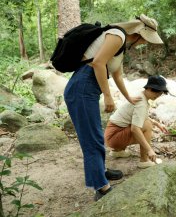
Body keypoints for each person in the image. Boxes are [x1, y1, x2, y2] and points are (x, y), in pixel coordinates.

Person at [64, 14, 164, 201]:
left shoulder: (122, 45)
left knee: (95, 133)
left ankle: (100, 171)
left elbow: (117, 75)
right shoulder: (117, 35)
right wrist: (108, 96)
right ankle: (101, 186)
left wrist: (128, 97)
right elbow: (97, 63)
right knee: (91, 138)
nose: (144, 44)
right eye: (145, 41)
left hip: (89, 89)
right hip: (82, 87)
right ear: (139, 34)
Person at [104, 75, 170, 169]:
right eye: (156, 92)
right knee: (147, 125)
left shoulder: (141, 95)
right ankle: (144, 160)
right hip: (113, 136)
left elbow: (140, 116)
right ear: (149, 88)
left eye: (160, 93)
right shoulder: (141, 103)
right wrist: (149, 150)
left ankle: (118, 151)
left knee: (145, 122)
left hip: (112, 135)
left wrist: (157, 123)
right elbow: (135, 129)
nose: (157, 96)